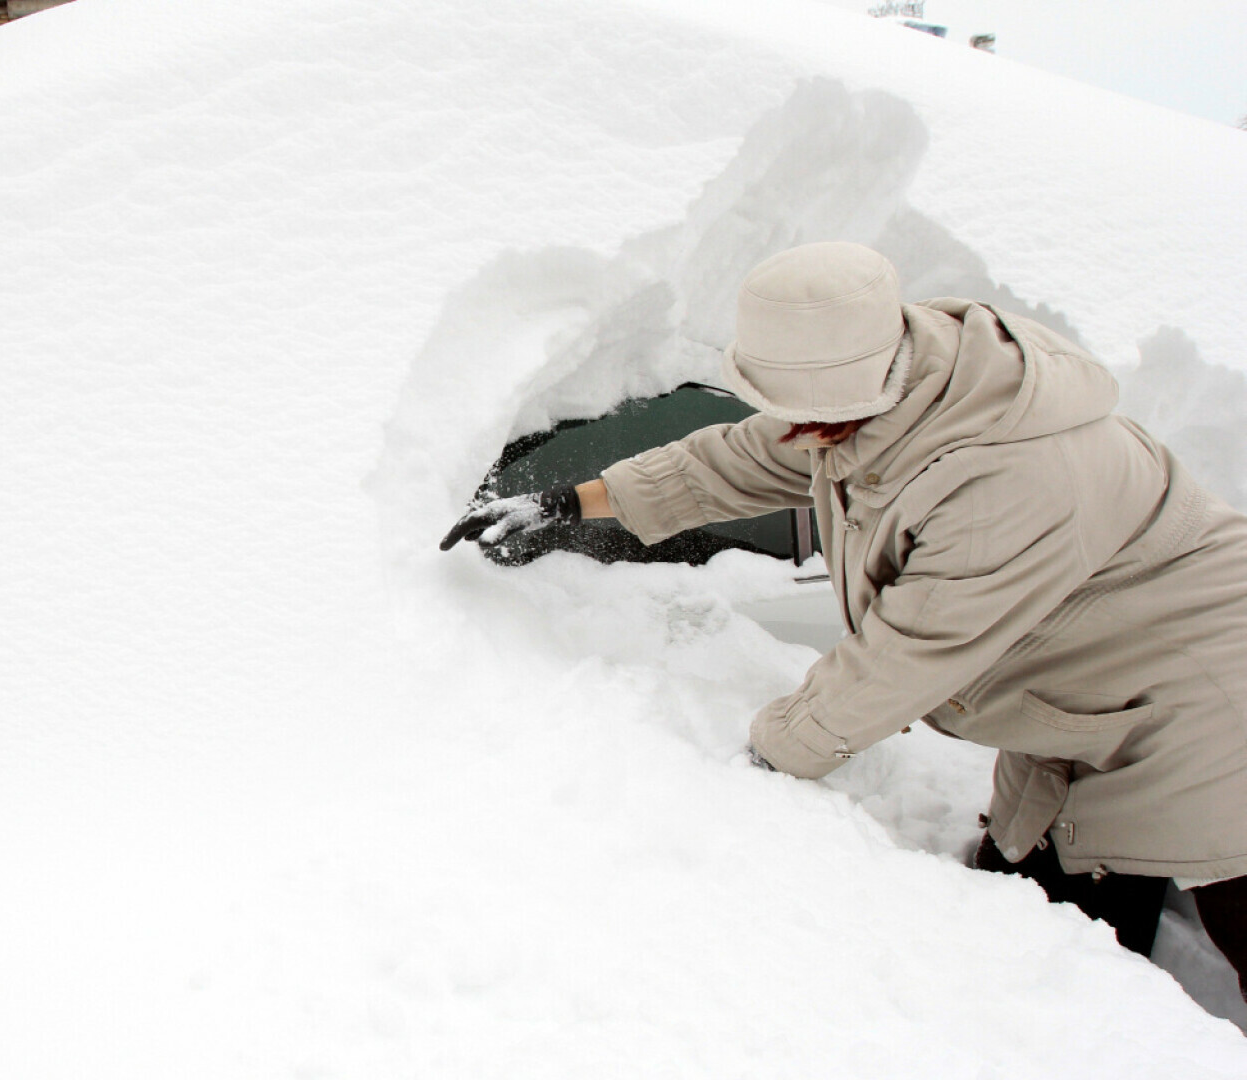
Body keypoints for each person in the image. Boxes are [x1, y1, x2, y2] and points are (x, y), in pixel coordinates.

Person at [441, 241, 1247, 991]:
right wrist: (575, 499)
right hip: (1085, 692)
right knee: (1033, 903)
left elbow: (895, 666)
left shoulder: (999, 483)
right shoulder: (903, 381)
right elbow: (749, 455)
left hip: (1205, 701)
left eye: (798, 410)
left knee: (1159, 939)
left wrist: (758, 768)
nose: (788, 427)